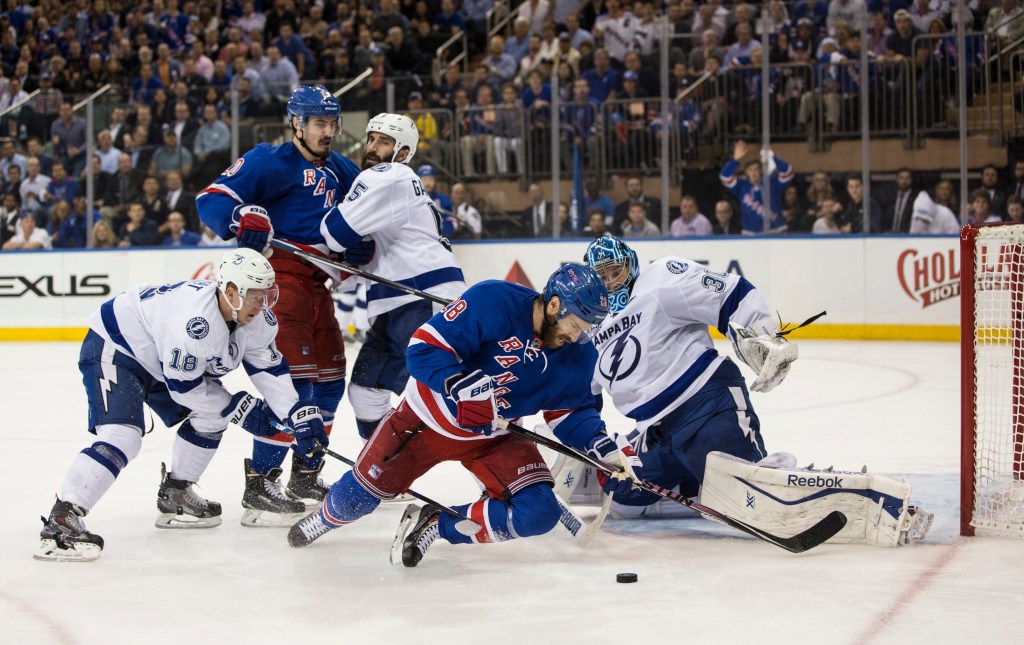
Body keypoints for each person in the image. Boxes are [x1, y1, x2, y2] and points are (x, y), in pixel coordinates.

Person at [578, 235, 931, 545]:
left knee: (757, 499)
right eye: (603, 276)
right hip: (654, 433)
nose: (611, 282)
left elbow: (731, 293)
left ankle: (872, 501)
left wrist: (762, 332)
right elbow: (584, 395)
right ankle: (706, 486)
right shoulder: (590, 325)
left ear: (631, 264)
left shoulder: (658, 278)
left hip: (704, 406)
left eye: (616, 271)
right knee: (622, 497)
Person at [287, 263, 642, 567]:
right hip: (424, 422)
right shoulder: (494, 300)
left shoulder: (577, 355)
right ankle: (325, 518)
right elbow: (423, 348)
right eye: (576, 325)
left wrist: (602, 449)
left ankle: (437, 524)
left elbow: (571, 412)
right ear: (553, 305)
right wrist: (456, 382)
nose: (578, 337)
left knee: (539, 513)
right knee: (356, 500)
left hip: (494, 438)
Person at [35, 249, 327, 561]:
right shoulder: (193, 323)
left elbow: (269, 370)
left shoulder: (257, 319)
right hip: (119, 345)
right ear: (231, 293)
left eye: (268, 294)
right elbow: (184, 389)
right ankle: (62, 518)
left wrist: (297, 415)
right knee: (123, 436)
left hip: (160, 357)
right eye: (256, 296)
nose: (264, 304)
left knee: (212, 416)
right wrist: (238, 409)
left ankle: (176, 492)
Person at [197, 85, 362, 520]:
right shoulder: (269, 161)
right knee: (296, 383)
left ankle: (305, 473)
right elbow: (211, 199)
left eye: (332, 123)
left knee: (329, 381)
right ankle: (261, 483)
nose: (328, 132)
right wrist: (240, 219)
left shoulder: (342, 169)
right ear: (297, 123)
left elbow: (368, 213)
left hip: (319, 286)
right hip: (281, 281)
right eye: (319, 124)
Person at [319, 113, 467, 442]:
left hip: (422, 297)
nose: (372, 147)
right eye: (371, 139)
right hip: (401, 299)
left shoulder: (388, 174)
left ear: (402, 153)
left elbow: (335, 233)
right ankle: (386, 474)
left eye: (383, 142)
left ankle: (514, 478)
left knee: (448, 398)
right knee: (366, 390)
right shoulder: (399, 182)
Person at [719, 140, 793, 234]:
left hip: (777, 231)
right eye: (750, 170)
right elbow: (724, 176)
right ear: (746, 172)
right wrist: (735, 159)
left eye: (756, 169)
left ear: (761, 171)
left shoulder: (772, 182)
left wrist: (772, 156)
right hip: (750, 234)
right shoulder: (741, 185)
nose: (753, 173)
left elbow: (788, 172)